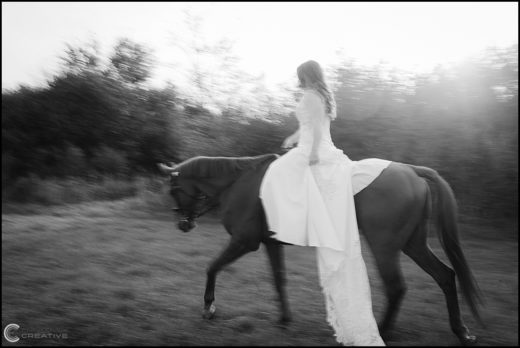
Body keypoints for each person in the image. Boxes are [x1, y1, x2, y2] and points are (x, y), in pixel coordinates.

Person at [259, 60, 386, 346]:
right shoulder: (318, 95)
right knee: (277, 173)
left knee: (275, 175)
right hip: (308, 145)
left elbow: (316, 128)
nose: (297, 80)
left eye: (299, 76)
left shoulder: (311, 96)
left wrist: (313, 153)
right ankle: (295, 221)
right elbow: (307, 125)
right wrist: (293, 137)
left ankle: (294, 223)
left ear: (305, 75)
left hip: (316, 150)